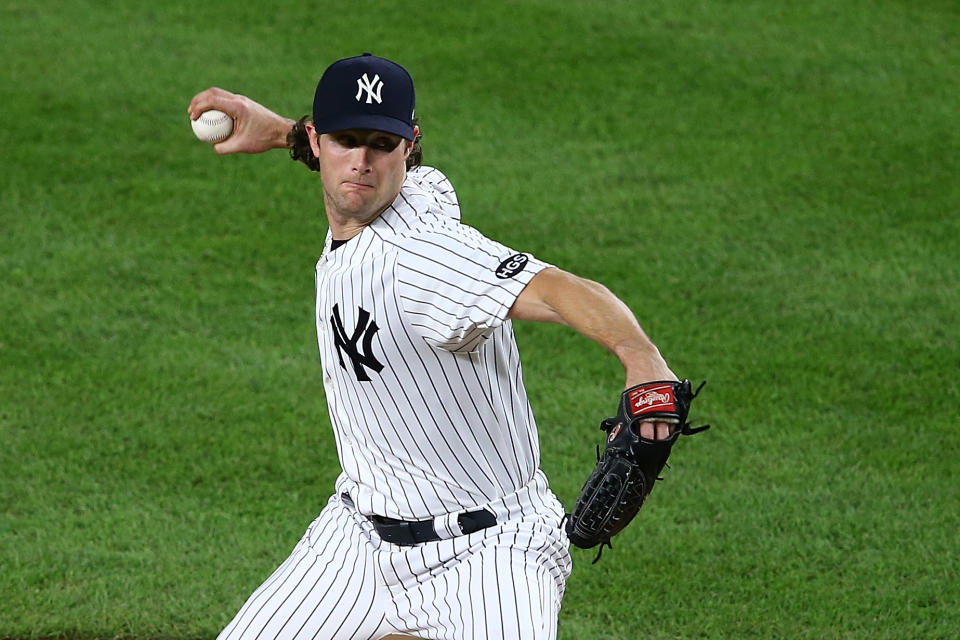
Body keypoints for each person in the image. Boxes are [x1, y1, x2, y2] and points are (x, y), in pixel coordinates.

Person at [188, 53, 679, 640]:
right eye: (346, 140)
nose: (363, 163)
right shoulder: (414, 191)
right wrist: (279, 133)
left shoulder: (422, 258)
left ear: (409, 145)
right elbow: (353, 171)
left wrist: (639, 355)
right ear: (317, 140)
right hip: (356, 541)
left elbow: (554, 289)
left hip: (491, 553)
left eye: (382, 144)